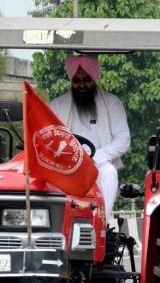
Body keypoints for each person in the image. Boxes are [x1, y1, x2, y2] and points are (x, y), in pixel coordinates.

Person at [50, 54, 130, 221]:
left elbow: (123, 140)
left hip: (100, 165)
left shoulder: (111, 103)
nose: (82, 85)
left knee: (109, 172)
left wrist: (97, 157)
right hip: (65, 166)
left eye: (86, 79)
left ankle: (101, 224)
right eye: (76, 81)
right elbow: (48, 139)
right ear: (71, 81)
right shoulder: (57, 105)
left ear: (94, 78)